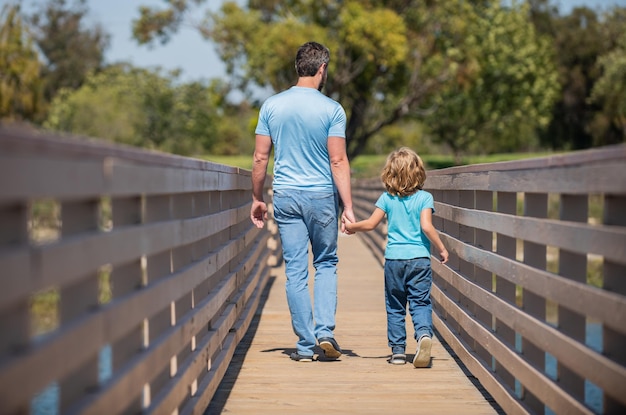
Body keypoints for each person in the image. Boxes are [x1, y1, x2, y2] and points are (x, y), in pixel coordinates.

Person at [250, 41, 355, 362]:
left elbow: (259, 157)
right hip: (321, 195)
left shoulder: (271, 106)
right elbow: (338, 161)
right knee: (325, 263)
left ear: (298, 67)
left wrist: (256, 197)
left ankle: (306, 346)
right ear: (322, 68)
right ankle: (325, 332)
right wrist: (348, 207)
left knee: (295, 269)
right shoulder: (332, 109)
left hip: (285, 195)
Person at [343, 147, 449, 367]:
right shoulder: (425, 197)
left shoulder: (387, 198)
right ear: (418, 171)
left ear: (389, 173)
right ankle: (423, 335)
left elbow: (371, 224)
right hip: (419, 259)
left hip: (394, 260)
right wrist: (441, 248)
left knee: (395, 306)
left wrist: (351, 226)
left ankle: (398, 352)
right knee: (420, 302)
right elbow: (426, 227)